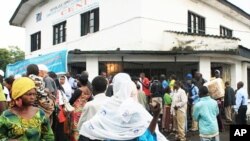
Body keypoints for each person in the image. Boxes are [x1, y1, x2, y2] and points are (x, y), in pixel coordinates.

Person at [79, 73, 167, 141]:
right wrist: (155, 116)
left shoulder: (108, 105)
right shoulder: (135, 107)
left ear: (115, 86)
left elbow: (89, 128)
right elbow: (147, 135)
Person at [78, 76, 110, 141]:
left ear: (92, 88)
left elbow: (81, 125)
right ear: (106, 87)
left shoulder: (89, 105)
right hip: (108, 136)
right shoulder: (112, 102)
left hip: (92, 137)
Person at [69, 74, 92, 141]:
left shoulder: (79, 90)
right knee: (83, 128)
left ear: (80, 81)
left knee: (76, 129)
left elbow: (71, 101)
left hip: (77, 111)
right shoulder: (89, 90)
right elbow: (90, 100)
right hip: (85, 111)